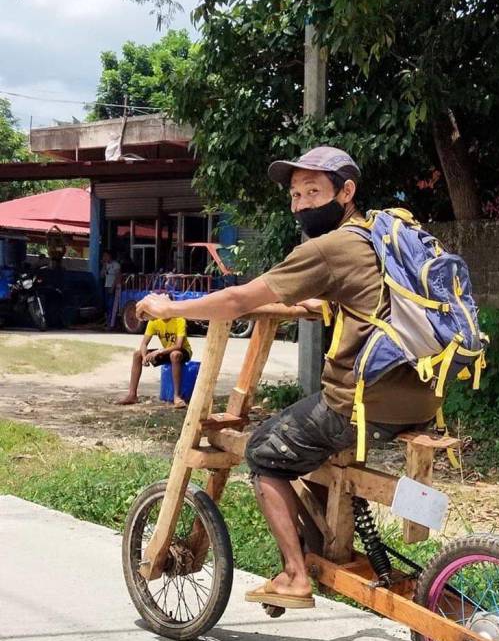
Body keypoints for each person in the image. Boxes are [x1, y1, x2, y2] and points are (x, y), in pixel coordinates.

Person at [136, 146, 441, 608]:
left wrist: (169, 307)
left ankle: (295, 576)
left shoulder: (329, 247)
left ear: (347, 191)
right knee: (301, 432)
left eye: (313, 192)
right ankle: (319, 549)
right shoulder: (377, 235)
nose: (300, 204)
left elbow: (237, 300)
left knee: (263, 451)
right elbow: (362, 299)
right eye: (295, 194)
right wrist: (311, 306)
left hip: (362, 400)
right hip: (421, 397)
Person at [116, 304, 192, 408]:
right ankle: (132, 395)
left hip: (182, 351)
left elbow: (178, 346)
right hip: (166, 352)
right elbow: (144, 344)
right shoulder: (154, 321)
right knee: (137, 354)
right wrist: (144, 356)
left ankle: (177, 396)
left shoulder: (179, 319)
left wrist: (160, 351)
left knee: (175, 355)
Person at [101, 250, 121, 329]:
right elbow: (102, 276)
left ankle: (111, 324)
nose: (104, 258)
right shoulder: (106, 265)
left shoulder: (115, 265)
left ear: (110, 256)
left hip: (113, 287)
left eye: (106, 256)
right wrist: (104, 266)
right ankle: (107, 322)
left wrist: (113, 287)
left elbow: (117, 277)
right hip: (106, 286)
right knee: (106, 305)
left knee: (111, 306)